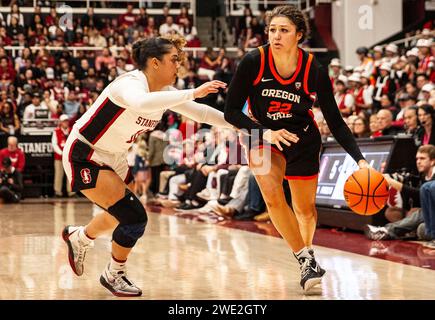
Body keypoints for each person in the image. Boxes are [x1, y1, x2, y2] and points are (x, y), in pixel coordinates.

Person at [61, 35, 232, 297]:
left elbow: (203, 113)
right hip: (86, 153)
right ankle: (114, 274)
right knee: (135, 217)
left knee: (119, 214)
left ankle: (80, 238)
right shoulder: (129, 84)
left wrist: (241, 125)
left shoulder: (164, 92)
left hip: (115, 156)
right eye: (174, 59)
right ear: (154, 63)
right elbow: (141, 104)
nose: (179, 65)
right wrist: (193, 92)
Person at [224, 5, 370, 292]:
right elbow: (231, 112)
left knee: (304, 209)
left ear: (299, 35)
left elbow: (336, 121)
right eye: (272, 30)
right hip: (260, 133)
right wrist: (265, 133)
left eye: (284, 30)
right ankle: (304, 259)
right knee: (271, 191)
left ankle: (308, 251)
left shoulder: (314, 69)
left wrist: (360, 160)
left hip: (302, 138)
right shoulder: (254, 61)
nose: (276, 36)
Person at [52, 114, 73, 197]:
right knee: (58, 174)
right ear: (60, 122)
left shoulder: (71, 131)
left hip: (70, 157)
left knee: (71, 175)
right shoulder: (56, 131)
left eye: (67, 121)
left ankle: (71, 192)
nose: (66, 123)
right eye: (64, 121)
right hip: (59, 157)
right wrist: (61, 153)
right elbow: (54, 144)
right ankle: (58, 192)